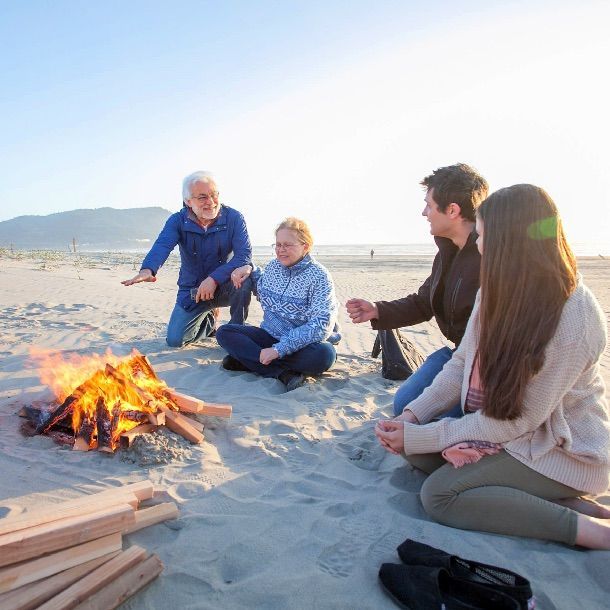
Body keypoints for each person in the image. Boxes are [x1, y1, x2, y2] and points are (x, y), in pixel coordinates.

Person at [375, 184, 610, 549]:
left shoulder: (574, 316)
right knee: (409, 444)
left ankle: (596, 533)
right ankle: (527, 494)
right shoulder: (496, 290)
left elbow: (520, 421)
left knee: (439, 496)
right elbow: (459, 365)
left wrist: (458, 437)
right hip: (507, 430)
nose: (478, 245)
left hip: (556, 450)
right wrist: (412, 418)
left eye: (482, 235)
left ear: (508, 242)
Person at [346, 163, 488, 416]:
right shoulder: (447, 251)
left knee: (433, 417)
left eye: (429, 205)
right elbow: (424, 303)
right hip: (457, 355)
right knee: (405, 404)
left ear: (452, 210)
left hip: (485, 364)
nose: (424, 213)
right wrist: (377, 310)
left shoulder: (489, 256)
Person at [122, 171, 252, 347]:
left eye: (214, 195)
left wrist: (213, 279)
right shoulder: (177, 221)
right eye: (202, 197)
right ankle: (209, 322)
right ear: (188, 201)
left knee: (245, 278)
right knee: (175, 341)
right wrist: (147, 270)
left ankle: (236, 333)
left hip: (225, 286)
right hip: (192, 290)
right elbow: (162, 245)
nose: (211, 202)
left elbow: (244, 256)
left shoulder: (234, 218)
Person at [216, 217, 338, 391]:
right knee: (224, 333)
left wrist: (279, 350)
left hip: (302, 346)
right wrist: (249, 268)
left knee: (325, 355)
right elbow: (260, 282)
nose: (281, 250)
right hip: (269, 336)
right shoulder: (274, 267)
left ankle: (250, 360)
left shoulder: (320, 277)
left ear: (305, 246)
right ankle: (282, 373)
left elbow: (321, 325)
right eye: (278, 245)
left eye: (287, 245)